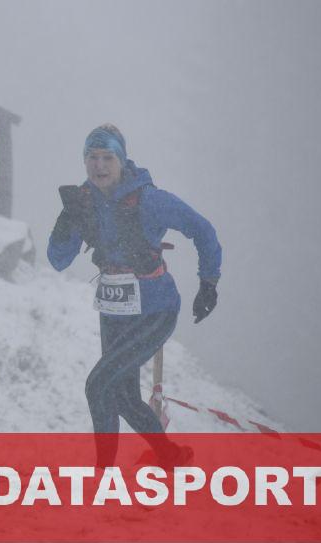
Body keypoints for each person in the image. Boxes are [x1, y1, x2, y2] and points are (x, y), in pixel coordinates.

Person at [47, 124, 221, 467]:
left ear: (122, 160)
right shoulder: (83, 202)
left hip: (155, 310)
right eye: (92, 158)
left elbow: (202, 229)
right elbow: (58, 260)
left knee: (98, 385)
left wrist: (208, 283)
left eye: (107, 158)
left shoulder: (149, 199)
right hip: (114, 311)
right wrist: (66, 224)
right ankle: (171, 457)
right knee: (122, 397)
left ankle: (104, 472)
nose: (99, 166)